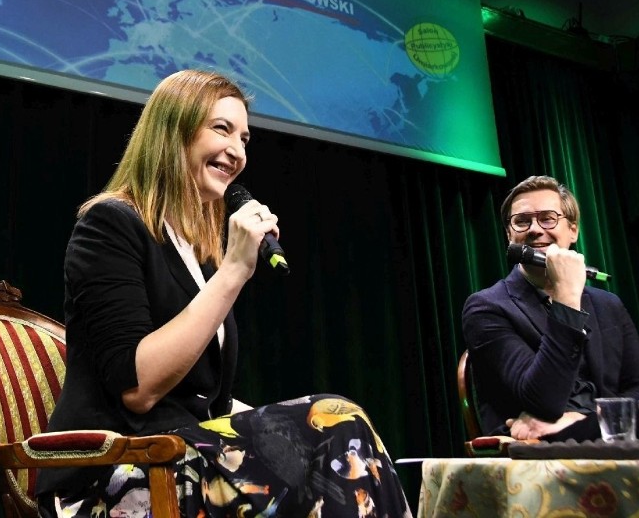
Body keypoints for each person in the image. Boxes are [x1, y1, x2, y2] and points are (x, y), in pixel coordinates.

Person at [34, 69, 412, 517]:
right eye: (221, 129)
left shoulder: (197, 254)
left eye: (246, 139)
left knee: (337, 437)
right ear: (172, 132)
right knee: (337, 419)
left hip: (189, 458)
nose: (237, 151)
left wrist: (286, 429)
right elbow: (138, 389)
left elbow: (206, 399)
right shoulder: (110, 225)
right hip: (120, 474)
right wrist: (233, 273)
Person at [461, 174, 639, 442]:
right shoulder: (486, 307)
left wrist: (589, 418)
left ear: (573, 230)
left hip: (605, 430)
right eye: (522, 221)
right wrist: (567, 296)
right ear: (510, 235)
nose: (534, 228)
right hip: (536, 441)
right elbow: (543, 400)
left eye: (548, 218)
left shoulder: (607, 304)